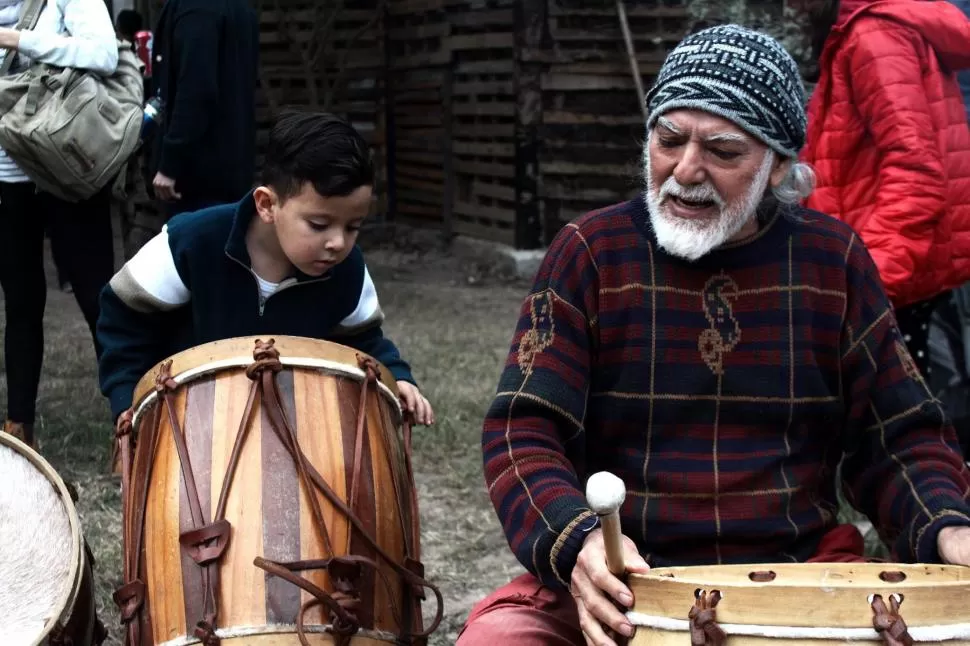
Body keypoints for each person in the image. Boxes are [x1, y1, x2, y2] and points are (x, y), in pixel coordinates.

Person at [458, 25, 970, 646]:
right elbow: (522, 427)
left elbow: (898, 437)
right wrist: (577, 542)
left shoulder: (831, 262)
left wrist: (950, 529)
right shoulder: (591, 253)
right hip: (621, 572)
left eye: (723, 151)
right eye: (668, 140)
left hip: (797, 571)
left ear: (779, 164)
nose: (686, 170)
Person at [96, 110, 435, 432]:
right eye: (319, 224)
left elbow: (364, 340)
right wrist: (127, 395)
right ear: (267, 204)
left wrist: (398, 375)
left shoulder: (347, 268)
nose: (337, 242)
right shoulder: (192, 242)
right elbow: (125, 317)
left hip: (297, 432)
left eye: (353, 227)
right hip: (189, 426)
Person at [799, 0, 970, 378]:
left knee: (896, 403)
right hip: (896, 261)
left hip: (890, 269)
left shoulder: (873, 36)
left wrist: (869, 282)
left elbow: (916, 171)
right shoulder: (862, 31)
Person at [0, 0, 120, 447]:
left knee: (96, 299)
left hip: (66, 164)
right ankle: (18, 430)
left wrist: (17, 39)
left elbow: (104, 54)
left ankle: (127, 424)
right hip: (8, 175)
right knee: (20, 300)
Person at [149, 0, 259, 217]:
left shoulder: (196, 8)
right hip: (231, 170)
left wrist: (170, 164)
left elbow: (196, 91)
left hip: (196, 180)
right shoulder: (239, 7)